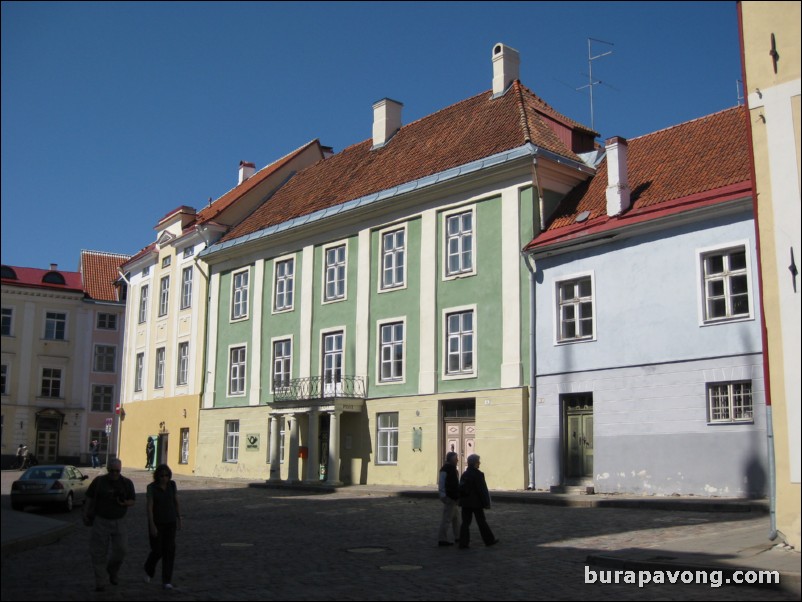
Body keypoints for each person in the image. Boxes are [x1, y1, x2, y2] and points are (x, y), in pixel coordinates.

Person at [83, 459, 136, 592]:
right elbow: (89, 497)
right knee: (98, 552)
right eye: (111, 470)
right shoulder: (99, 481)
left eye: (117, 471)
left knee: (121, 550)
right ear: (108, 469)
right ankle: (100, 581)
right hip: (101, 520)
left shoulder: (126, 483)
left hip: (120, 520)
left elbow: (132, 500)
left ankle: (112, 570)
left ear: (120, 470)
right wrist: (85, 513)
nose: (114, 473)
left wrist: (125, 503)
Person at [144, 464, 182, 590]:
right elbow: (149, 507)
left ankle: (166, 580)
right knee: (157, 550)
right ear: (157, 476)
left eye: (166, 475)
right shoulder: (152, 488)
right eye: (161, 476)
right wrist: (151, 524)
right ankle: (149, 569)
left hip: (170, 522)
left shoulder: (172, 485)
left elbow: (176, 501)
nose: (164, 478)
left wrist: (179, 517)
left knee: (169, 551)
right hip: (157, 523)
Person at [458, 454, 498, 549]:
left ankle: (463, 542)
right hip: (476, 503)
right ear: (475, 463)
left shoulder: (464, 474)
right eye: (478, 461)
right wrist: (486, 503)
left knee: (465, 523)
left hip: (466, 503)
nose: (479, 463)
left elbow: (461, 488)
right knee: (481, 522)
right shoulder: (478, 474)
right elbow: (482, 490)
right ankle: (489, 540)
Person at [437, 451, 460, 546]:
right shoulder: (446, 469)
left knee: (456, 519)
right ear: (451, 459)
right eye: (456, 458)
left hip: (454, 497)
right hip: (450, 497)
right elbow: (442, 483)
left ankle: (458, 537)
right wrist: (443, 495)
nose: (457, 460)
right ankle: (442, 539)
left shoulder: (452, 469)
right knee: (446, 519)